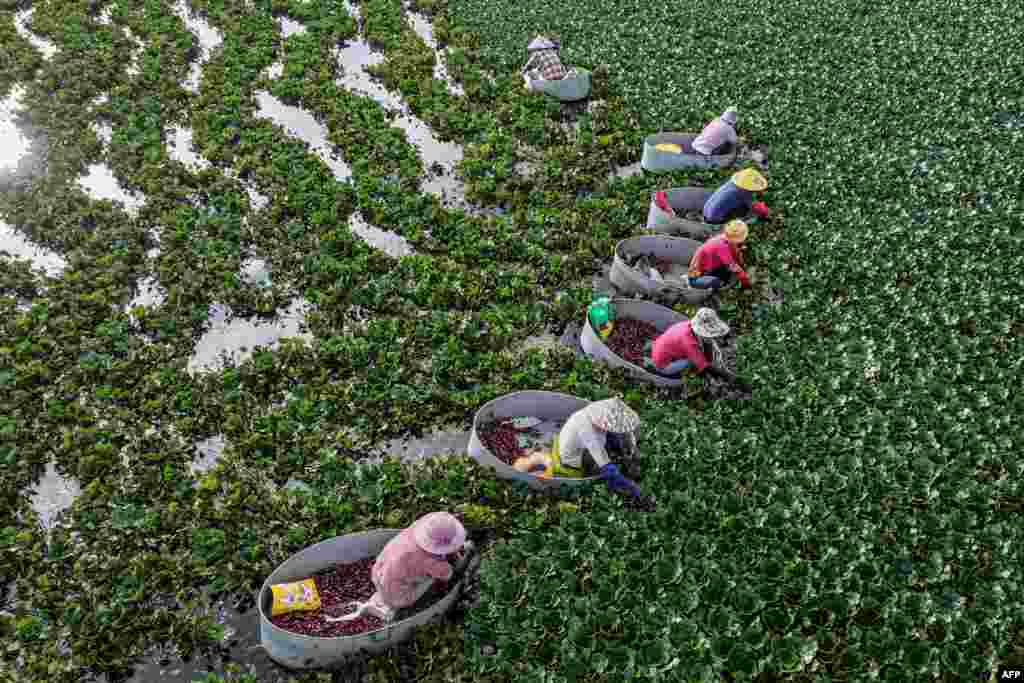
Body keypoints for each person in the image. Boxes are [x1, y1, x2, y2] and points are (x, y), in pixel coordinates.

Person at [557, 398, 645, 499]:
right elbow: (606, 467)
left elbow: (621, 430)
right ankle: (611, 485)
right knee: (604, 468)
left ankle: (625, 462)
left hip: (584, 441)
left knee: (617, 439)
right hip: (575, 456)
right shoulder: (589, 433)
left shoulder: (598, 411)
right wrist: (632, 487)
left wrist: (627, 449)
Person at [643, 308, 743, 387]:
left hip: (659, 346)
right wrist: (728, 376)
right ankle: (656, 368)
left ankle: (653, 356)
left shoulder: (687, 324)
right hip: (663, 364)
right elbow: (705, 367)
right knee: (691, 361)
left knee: (697, 354)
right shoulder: (689, 343)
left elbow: (706, 342)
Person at [688, 219, 752, 290]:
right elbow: (733, 266)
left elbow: (735, 252)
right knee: (720, 282)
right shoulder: (722, 246)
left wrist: (741, 263)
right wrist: (745, 282)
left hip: (709, 264)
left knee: (728, 270)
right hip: (697, 276)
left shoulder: (725, 237)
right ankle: (715, 287)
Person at [703, 168, 769, 224]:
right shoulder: (743, 192)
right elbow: (753, 207)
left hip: (706, 212)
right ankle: (736, 221)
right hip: (715, 219)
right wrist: (763, 213)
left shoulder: (732, 182)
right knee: (745, 209)